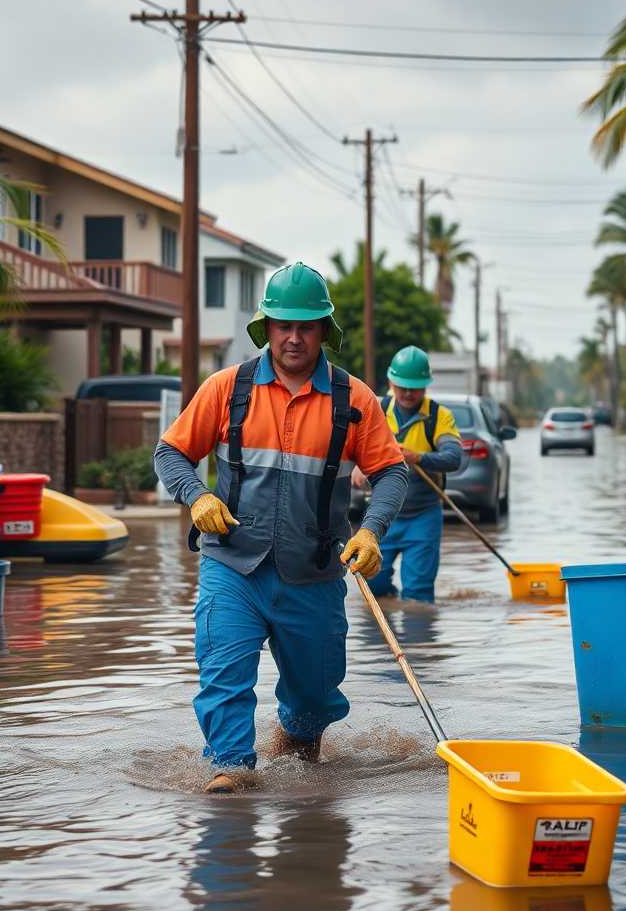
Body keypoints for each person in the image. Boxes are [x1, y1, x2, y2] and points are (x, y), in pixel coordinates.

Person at [154, 261, 408, 794]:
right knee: (223, 675)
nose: (294, 337)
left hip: (313, 575)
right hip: (232, 567)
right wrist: (196, 494)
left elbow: (391, 472)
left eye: (306, 326)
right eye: (283, 325)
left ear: (323, 331)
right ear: (265, 327)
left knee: (314, 702)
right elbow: (170, 453)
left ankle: (297, 742)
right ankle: (230, 770)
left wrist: (372, 531)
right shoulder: (226, 389)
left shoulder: (355, 400)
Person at [352, 345, 463, 604]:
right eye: (402, 386)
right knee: (373, 587)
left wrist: (418, 457)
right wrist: (358, 464)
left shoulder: (439, 417)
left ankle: (418, 642)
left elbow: (454, 457)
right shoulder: (376, 410)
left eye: (415, 387)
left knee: (417, 596)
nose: (408, 393)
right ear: (391, 382)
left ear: (426, 385)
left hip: (423, 518)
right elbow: (351, 446)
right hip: (381, 519)